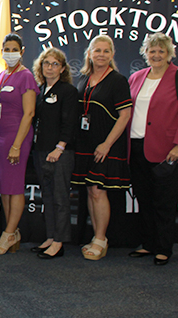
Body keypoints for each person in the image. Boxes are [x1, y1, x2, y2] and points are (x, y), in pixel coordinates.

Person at [128, 33, 178, 266]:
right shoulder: (136, 77)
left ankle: (164, 247)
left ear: (169, 53)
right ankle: (149, 243)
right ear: (145, 53)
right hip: (137, 147)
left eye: (161, 51)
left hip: (167, 150)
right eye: (152, 50)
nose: (156, 55)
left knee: (164, 201)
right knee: (144, 199)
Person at [71, 35, 132, 261]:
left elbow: (124, 116)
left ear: (112, 55)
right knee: (90, 190)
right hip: (86, 144)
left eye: (106, 51)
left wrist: (107, 143)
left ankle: (100, 237)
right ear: (89, 53)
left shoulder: (118, 80)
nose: (101, 55)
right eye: (97, 50)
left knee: (98, 190)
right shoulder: (83, 80)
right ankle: (98, 238)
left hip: (106, 145)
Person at [0, 34, 39, 255]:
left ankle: (8, 234)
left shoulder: (26, 76)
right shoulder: (2, 75)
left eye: (14, 49)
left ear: (22, 51)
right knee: (5, 189)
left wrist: (17, 145)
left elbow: (29, 113)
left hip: (16, 137)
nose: (10, 53)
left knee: (15, 187)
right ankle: (13, 232)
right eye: (6, 49)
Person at [30, 47, 78, 259]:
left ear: (62, 68)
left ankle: (59, 241)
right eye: (46, 63)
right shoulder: (40, 90)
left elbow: (70, 124)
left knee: (60, 198)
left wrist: (59, 148)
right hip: (40, 151)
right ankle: (50, 236)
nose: (50, 67)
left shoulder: (68, 91)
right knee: (47, 197)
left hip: (59, 153)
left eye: (55, 64)